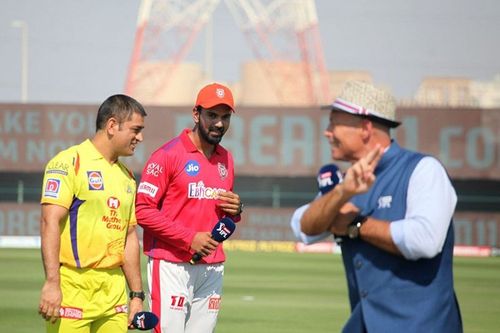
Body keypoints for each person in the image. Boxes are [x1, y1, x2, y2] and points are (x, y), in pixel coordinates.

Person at [300, 81, 463, 332]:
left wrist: (355, 225)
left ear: (365, 128)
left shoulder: (424, 169)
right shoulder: (347, 182)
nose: (327, 132)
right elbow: (303, 228)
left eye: (334, 123)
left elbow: (424, 240)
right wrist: (342, 192)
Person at [136, 82, 243, 333]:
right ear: (196, 114)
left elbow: (217, 212)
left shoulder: (226, 159)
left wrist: (236, 211)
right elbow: (142, 210)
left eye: (225, 117)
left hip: (212, 266)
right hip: (172, 264)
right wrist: (189, 238)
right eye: (212, 115)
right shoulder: (167, 155)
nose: (219, 123)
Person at [38, 94, 147, 332]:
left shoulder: (127, 177)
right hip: (73, 287)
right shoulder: (68, 162)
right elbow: (49, 222)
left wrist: (137, 295)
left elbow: (129, 237)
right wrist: (52, 283)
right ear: (111, 125)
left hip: (114, 292)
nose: (140, 138)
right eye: (135, 130)